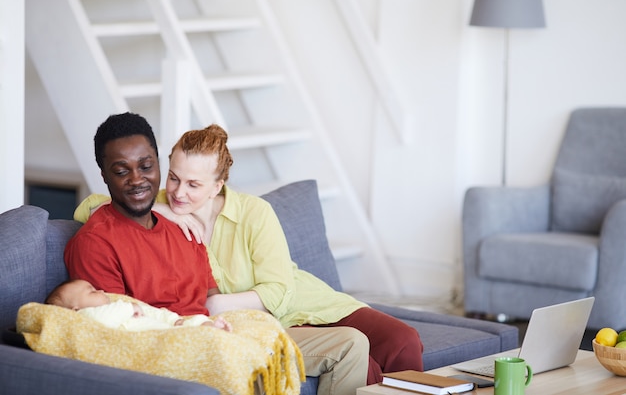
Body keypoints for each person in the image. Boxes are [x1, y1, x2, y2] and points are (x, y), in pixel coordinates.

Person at [74, 121, 424, 389]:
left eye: (194, 185)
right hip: (263, 323)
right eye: (176, 179)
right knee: (361, 362)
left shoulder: (254, 213)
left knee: (403, 341)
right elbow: (97, 205)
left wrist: (212, 308)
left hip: (299, 303)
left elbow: (278, 292)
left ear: (218, 185)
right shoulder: (160, 204)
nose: (180, 192)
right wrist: (165, 210)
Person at [45, 278, 232, 331]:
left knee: (187, 325)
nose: (101, 291)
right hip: (154, 338)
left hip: (164, 327)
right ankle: (207, 331)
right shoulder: (85, 319)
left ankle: (206, 327)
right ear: (75, 310)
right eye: (93, 291)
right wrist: (128, 308)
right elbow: (101, 318)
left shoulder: (119, 303)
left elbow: (151, 311)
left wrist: (175, 320)